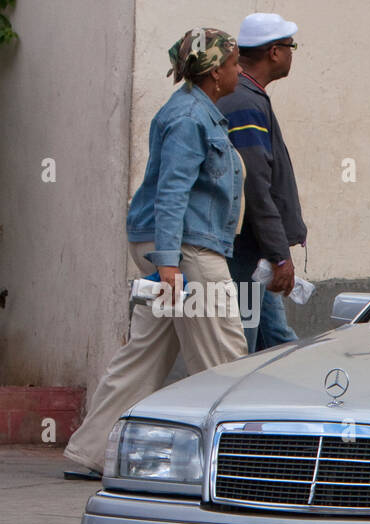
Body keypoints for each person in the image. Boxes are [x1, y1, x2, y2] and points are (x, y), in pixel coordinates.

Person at [63, 29, 246, 480]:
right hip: (187, 251)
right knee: (225, 355)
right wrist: (169, 264)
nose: (239, 70)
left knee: (145, 354)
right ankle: (241, 458)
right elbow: (172, 193)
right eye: (234, 62)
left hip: (175, 250)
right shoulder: (190, 117)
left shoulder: (195, 110)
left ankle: (90, 452)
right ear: (214, 71)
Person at [219, 12, 308, 352]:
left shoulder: (247, 97)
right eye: (290, 46)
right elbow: (255, 185)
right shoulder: (244, 103)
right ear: (274, 52)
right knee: (245, 347)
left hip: (256, 252)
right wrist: (279, 254)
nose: (291, 54)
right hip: (247, 252)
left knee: (277, 344)